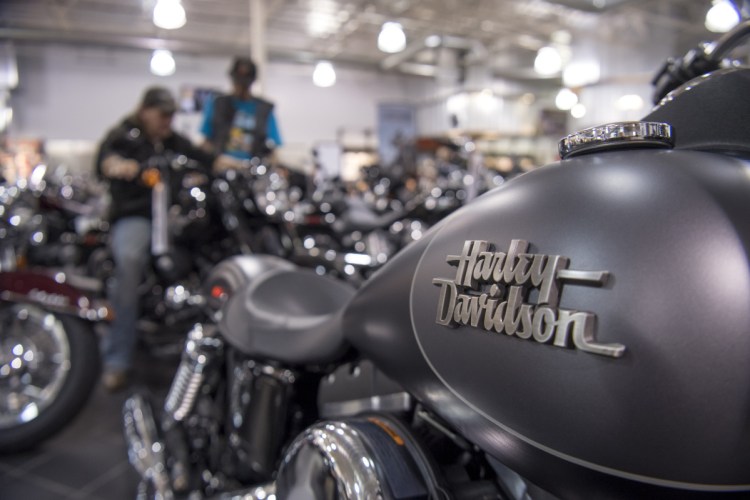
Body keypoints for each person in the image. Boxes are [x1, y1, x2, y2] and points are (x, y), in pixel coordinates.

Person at [95, 87, 232, 392]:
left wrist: (241, 166)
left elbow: (206, 157)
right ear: (145, 110)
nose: (168, 120)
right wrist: (123, 167)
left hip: (173, 216)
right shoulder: (123, 135)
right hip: (138, 216)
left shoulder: (172, 140)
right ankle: (118, 358)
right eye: (163, 114)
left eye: (172, 115)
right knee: (130, 263)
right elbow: (105, 162)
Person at [200, 56, 283, 160]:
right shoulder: (218, 104)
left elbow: (274, 148)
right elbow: (206, 142)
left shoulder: (264, 109)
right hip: (220, 168)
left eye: (245, 82)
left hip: (252, 170)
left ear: (252, 81)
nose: (241, 86)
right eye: (238, 80)